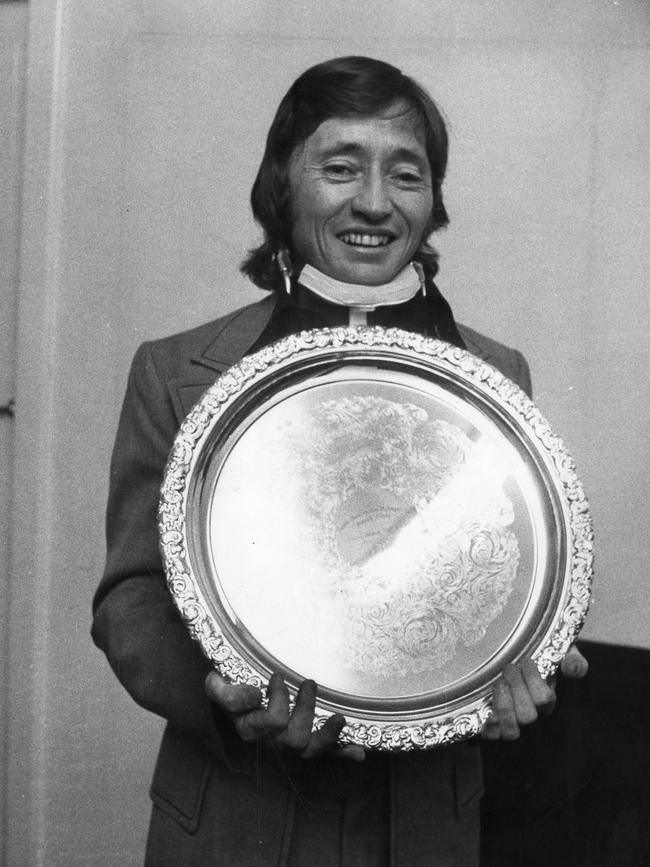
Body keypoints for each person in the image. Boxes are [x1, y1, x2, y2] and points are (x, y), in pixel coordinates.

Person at [92, 56, 588, 866]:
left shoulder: (498, 380)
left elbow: (506, 577)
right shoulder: (176, 370)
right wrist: (219, 698)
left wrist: (519, 669)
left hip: (424, 827)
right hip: (237, 818)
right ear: (283, 185)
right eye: (341, 166)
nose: (374, 202)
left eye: (406, 173)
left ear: (433, 202)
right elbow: (130, 599)